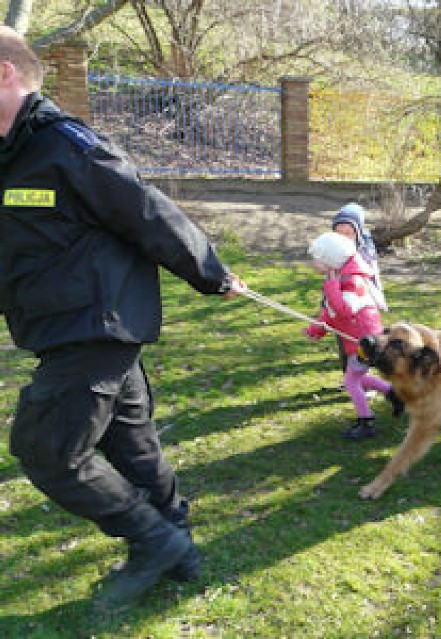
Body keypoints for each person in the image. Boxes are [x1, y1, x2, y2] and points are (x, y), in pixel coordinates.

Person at [0, 26, 243, 608]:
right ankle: (177, 545)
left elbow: (145, 210)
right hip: (66, 327)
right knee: (132, 449)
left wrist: (209, 271)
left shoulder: (66, 146)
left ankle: (151, 539)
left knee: (46, 449)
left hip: (93, 324)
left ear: (5, 73)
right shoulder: (12, 156)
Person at [305, 232, 403, 440]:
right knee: (358, 377)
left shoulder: (352, 283)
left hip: (365, 342)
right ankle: (394, 394)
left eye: (318, 259)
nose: (313, 263)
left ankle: (366, 422)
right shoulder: (338, 280)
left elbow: (343, 311)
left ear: (331, 261)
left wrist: (331, 287)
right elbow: (331, 314)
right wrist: (316, 331)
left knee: (351, 381)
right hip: (357, 342)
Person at [330, 203, 385, 377]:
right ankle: (349, 376)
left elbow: (368, 275)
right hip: (340, 303)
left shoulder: (363, 250)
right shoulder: (332, 249)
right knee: (344, 342)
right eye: (339, 233)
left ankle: (365, 379)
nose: (344, 237)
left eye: (348, 233)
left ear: (357, 232)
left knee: (362, 344)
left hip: (360, 306)